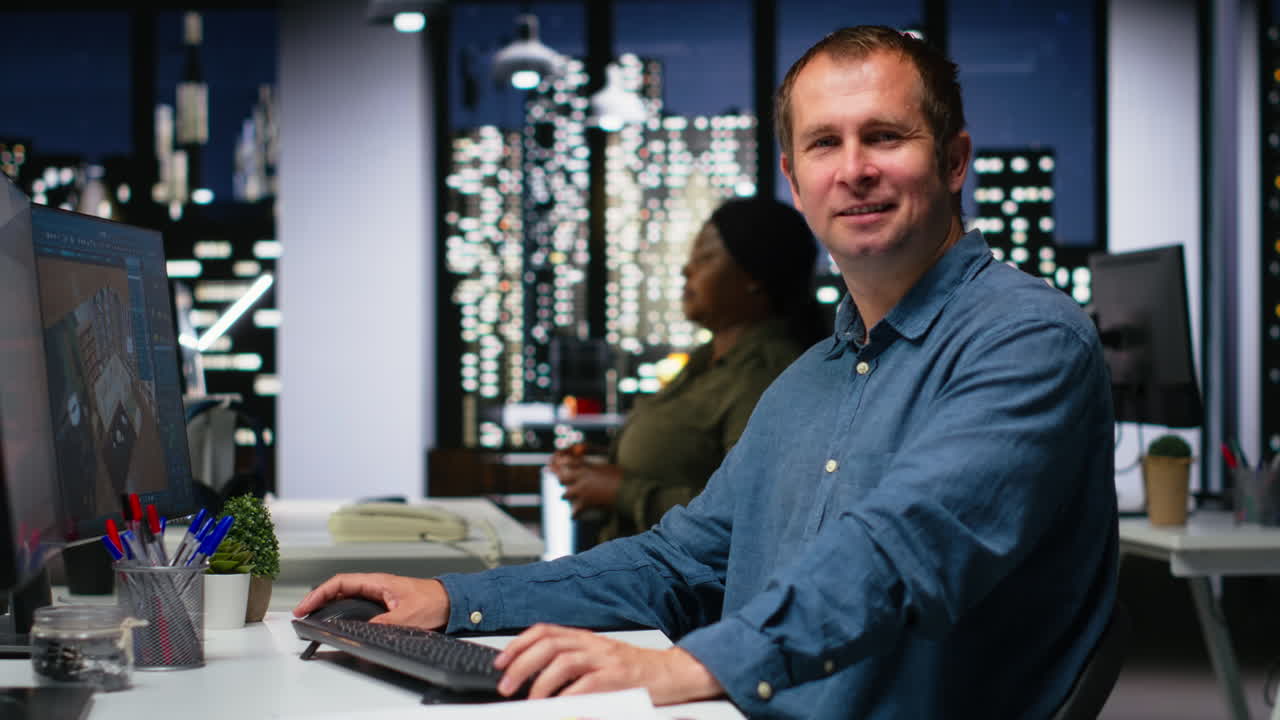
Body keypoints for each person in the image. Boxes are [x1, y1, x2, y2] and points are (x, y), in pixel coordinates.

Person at [296, 26, 1118, 718]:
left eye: (886, 136)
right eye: (825, 143)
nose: (855, 168)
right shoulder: (807, 384)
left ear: (953, 160)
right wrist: (455, 604)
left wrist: (694, 667)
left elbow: (909, 545)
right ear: (796, 183)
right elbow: (676, 563)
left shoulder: (1026, 338)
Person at [549, 197, 827, 547]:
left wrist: (622, 491)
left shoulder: (768, 374)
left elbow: (756, 512)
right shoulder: (706, 360)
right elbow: (691, 457)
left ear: (754, 275)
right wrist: (601, 465)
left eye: (705, 258)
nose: (686, 270)